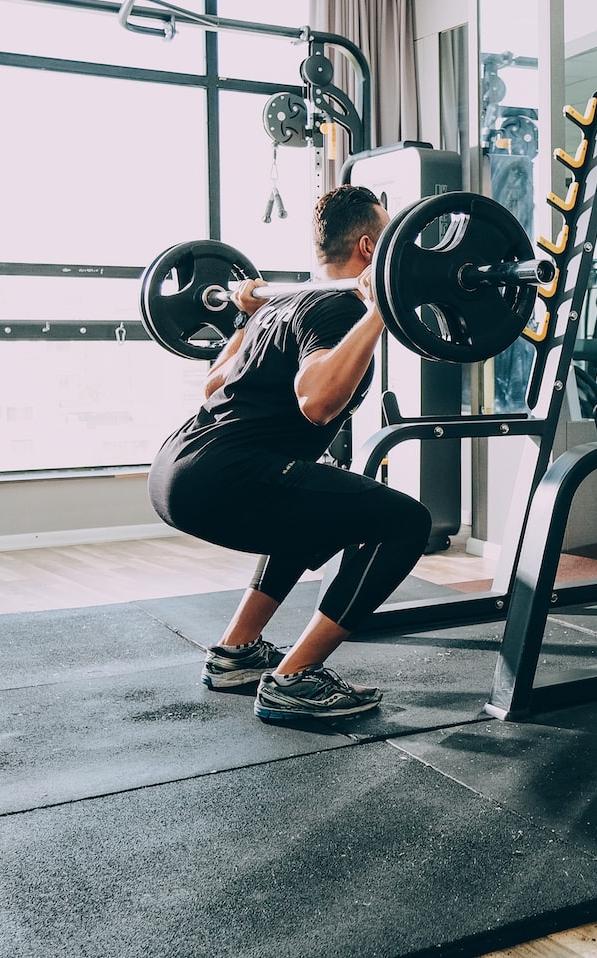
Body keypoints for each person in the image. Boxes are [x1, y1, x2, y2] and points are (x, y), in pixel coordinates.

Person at [148, 185, 430, 722]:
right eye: (391, 237)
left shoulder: (281, 305)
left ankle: (237, 653)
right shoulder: (340, 308)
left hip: (178, 468)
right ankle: (293, 679)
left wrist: (243, 317)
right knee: (406, 522)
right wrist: (378, 312)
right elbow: (317, 403)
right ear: (370, 249)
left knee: (311, 500)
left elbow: (213, 387)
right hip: (223, 475)